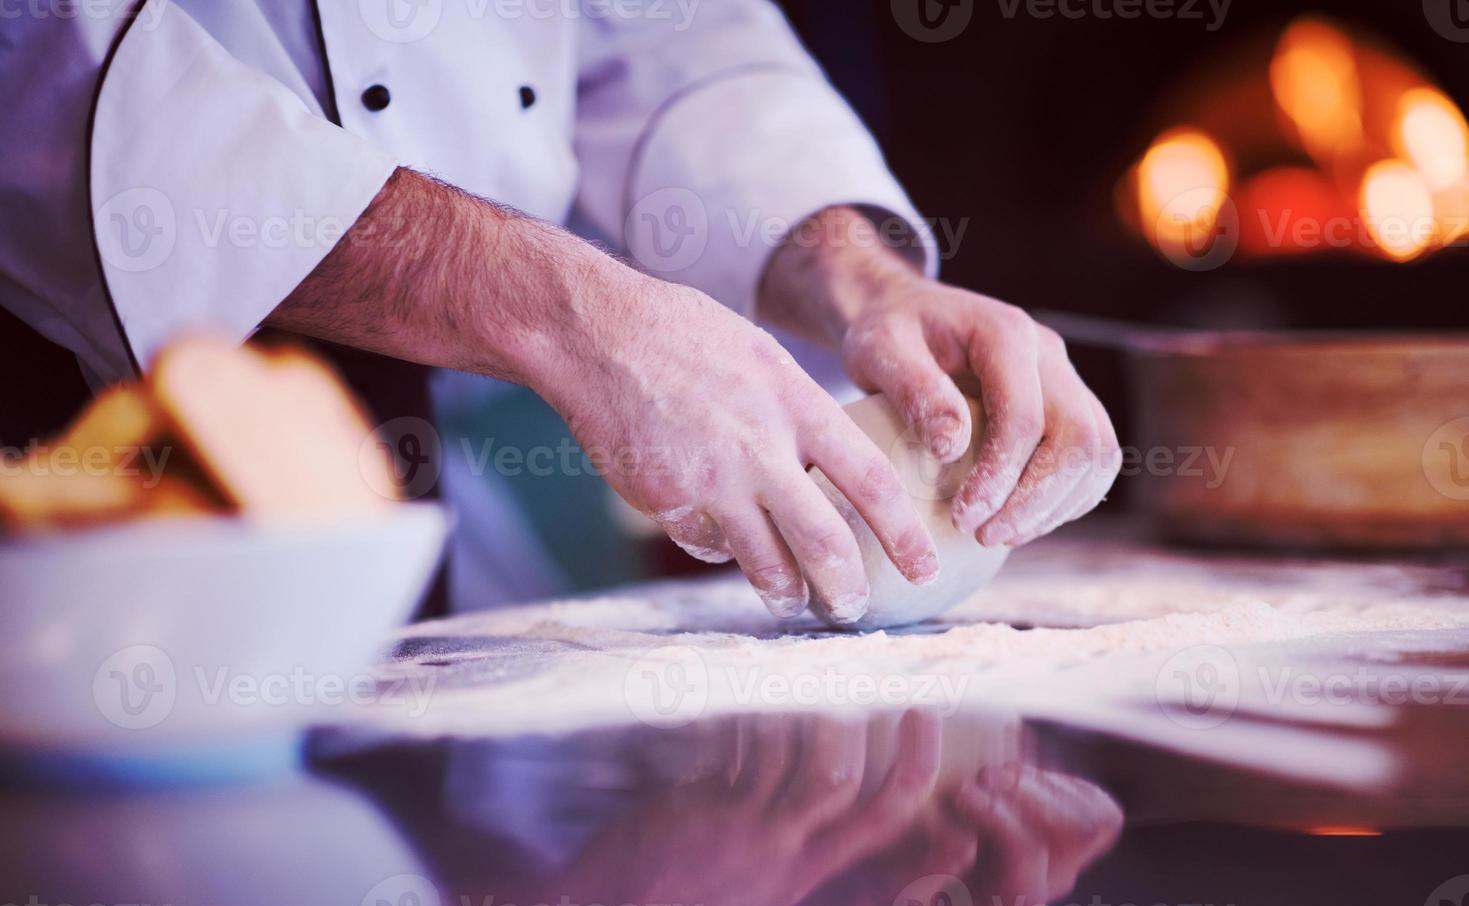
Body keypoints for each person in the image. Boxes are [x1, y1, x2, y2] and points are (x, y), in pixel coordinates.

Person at [0, 1, 1120, 623]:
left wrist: (863, 278)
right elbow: (37, 65)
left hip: (373, 430)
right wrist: (567, 313)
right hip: (49, 383)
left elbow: (652, 37)